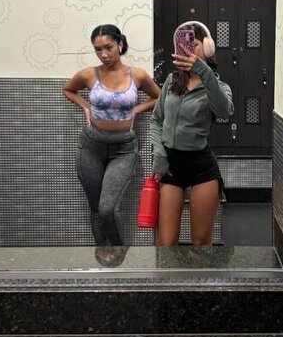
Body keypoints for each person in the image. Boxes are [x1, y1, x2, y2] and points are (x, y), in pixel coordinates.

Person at [63, 23, 160, 247]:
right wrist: (86, 107)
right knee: (96, 210)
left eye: (108, 47)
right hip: (91, 146)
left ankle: (118, 254)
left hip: (123, 149)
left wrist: (136, 110)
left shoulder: (137, 75)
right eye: (98, 49)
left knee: (107, 209)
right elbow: (68, 89)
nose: (104, 54)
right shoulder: (89, 74)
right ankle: (102, 256)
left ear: (120, 44)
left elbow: (158, 97)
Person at [151, 21, 233, 246]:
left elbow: (224, 111)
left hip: (201, 167)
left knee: (201, 241)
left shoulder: (219, 86)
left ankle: (201, 272)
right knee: (166, 243)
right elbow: (157, 120)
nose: (188, 49)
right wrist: (159, 155)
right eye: (184, 44)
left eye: (194, 44)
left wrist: (204, 72)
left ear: (207, 48)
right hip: (170, 166)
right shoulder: (171, 82)